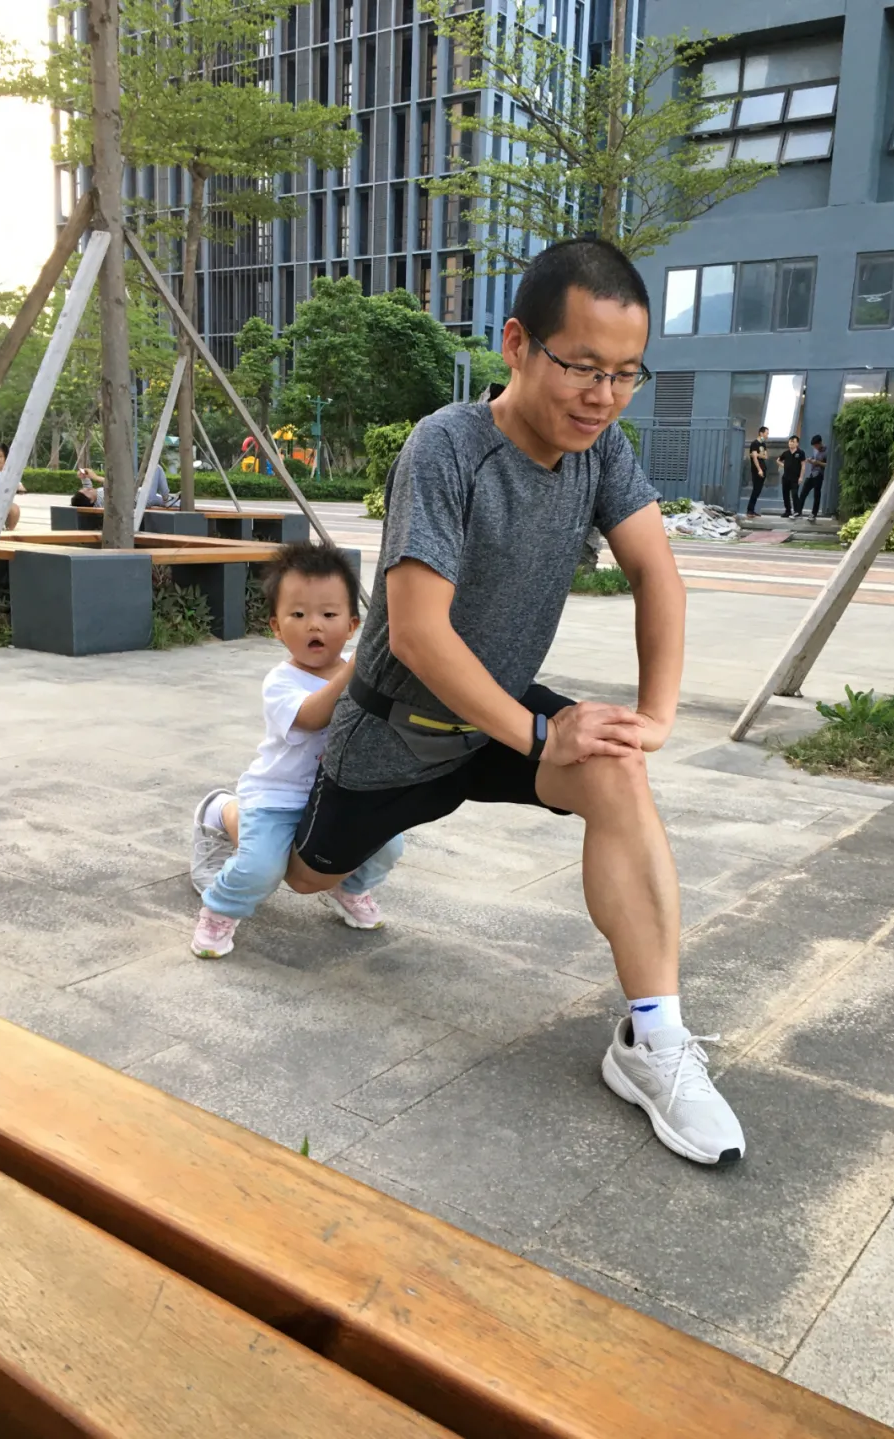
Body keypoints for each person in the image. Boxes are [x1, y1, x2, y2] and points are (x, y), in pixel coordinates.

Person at [281, 238, 745, 1166]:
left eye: (625, 373)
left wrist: (653, 718)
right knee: (304, 878)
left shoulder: (601, 452)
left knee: (615, 767)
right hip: (397, 731)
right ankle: (230, 815)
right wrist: (539, 733)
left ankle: (651, 1039)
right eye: (582, 366)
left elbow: (657, 572)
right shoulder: (448, 447)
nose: (602, 396)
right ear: (517, 344)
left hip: (499, 719)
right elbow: (419, 634)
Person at [189, 541, 404, 960]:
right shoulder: (281, 681)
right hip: (278, 796)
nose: (314, 626)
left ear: (353, 624)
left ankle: (350, 888)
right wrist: (357, 670)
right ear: (276, 626)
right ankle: (220, 908)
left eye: (328, 615)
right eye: (298, 615)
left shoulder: (359, 671)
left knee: (389, 846)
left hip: (341, 794)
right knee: (262, 868)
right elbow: (311, 717)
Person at [795, 434, 828, 521]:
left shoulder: (826, 451)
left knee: (816, 495)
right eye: (814, 446)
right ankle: (798, 511)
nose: (815, 447)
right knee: (803, 492)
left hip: (819, 474)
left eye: (816, 445)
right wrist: (810, 460)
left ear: (820, 443)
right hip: (811, 474)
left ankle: (813, 514)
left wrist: (817, 462)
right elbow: (814, 458)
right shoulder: (815, 450)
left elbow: (828, 464)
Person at [777, 435, 806, 519]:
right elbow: (778, 460)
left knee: (794, 494)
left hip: (795, 478)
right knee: (785, 495)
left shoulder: (800, 453)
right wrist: (784, 465)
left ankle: (797, 511)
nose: (791, 443)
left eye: (793, 442)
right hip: (786, 477)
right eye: (790, 441)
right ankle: (788, 511)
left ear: (797, 443)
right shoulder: (786, 453)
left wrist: (801, 477)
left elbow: (803, 465)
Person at [747, 426, 769, 517]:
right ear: (761, 433)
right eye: (766, 433)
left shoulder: (763, 444)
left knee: (758, 490)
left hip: (763, 468)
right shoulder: (754, 444)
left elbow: (765, 456)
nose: (767, 435)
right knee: (756, 489)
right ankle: (750, 510)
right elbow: (755, 458)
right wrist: (759, 469)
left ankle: (752, 509)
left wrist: (758, 455)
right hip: (757, 470)